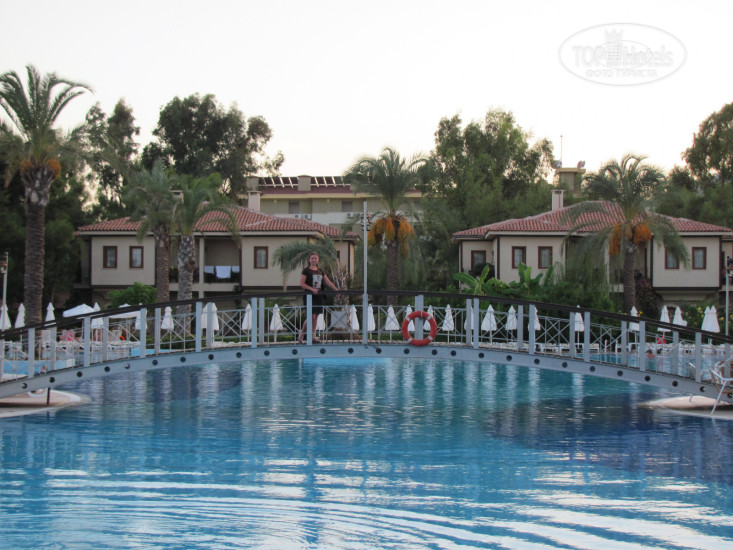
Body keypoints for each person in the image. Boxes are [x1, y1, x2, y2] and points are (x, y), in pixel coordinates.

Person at [298, 252, 338, 343]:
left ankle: (312, 336)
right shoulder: (306, 271)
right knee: (311, 316)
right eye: (312, 258)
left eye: (315, 258)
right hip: (309, 296)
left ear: (318, 260)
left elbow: (327, 282)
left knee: (316, 317)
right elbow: (302, 284)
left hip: (318, 296)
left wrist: (336, 290)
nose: (314, 260)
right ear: (309, 260)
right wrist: (311, 289)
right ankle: (302, 335)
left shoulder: (320, 271)